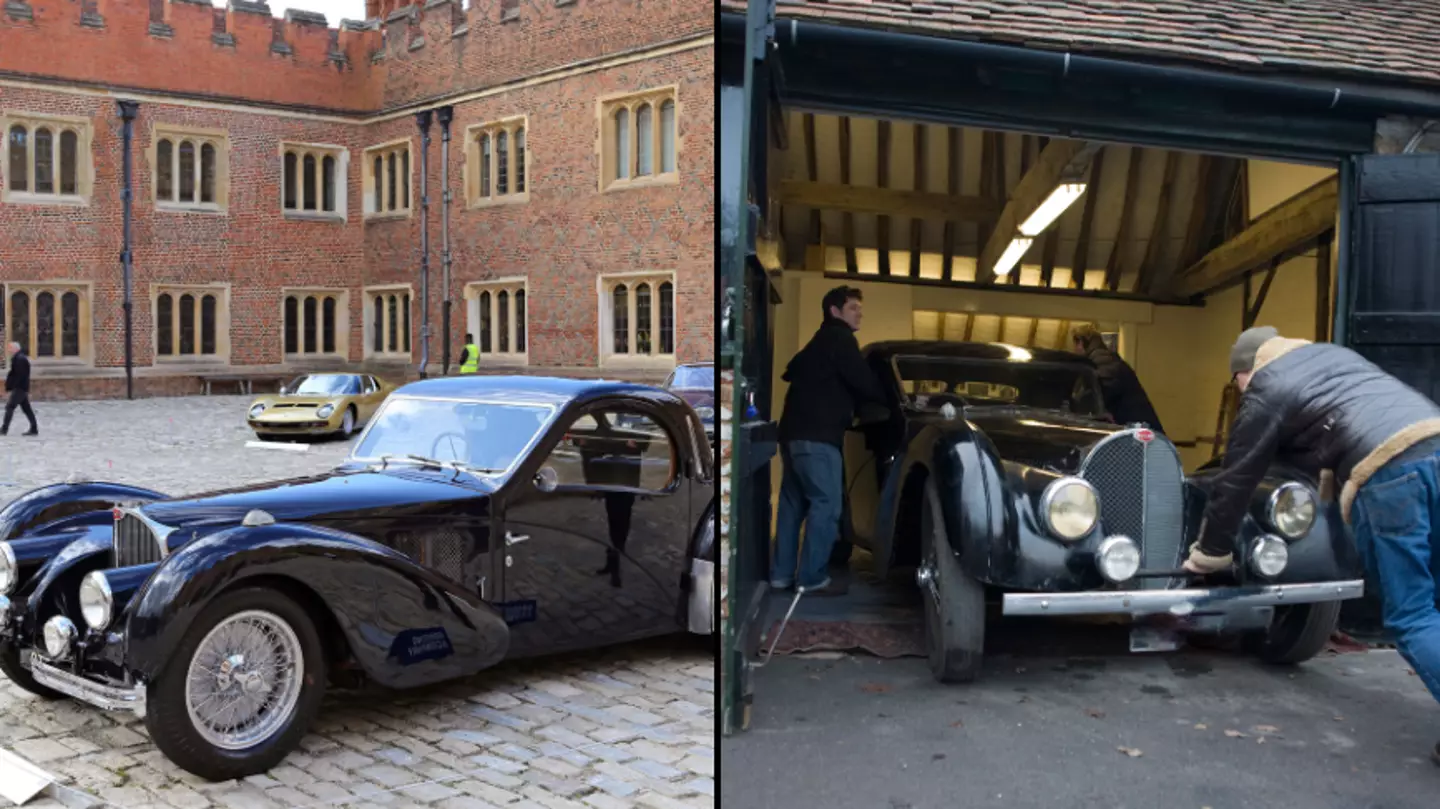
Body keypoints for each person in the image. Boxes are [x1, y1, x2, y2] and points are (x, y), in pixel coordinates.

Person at [1181, 326, 1440, 765]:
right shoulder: (1334, 359)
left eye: (1237, 383)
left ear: (1245, 372)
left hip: (1392, 470)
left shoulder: (1266, 389)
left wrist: (1210, 554)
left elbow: (1236, 481)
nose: (1241, 392)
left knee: (1412, 613)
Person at [771, 286, 888, 596]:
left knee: (791, 505)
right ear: (834, 312)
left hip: (792, 436)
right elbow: (864, 383)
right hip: (819, 439)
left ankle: (781, 575)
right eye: (852, 308)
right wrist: (888, 401)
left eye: (859, 308)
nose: (859, 313)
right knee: (827, 505)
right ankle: (811, 578)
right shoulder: (841, 339)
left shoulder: (816, 344)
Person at [1070, 322, 1165, 434]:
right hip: (1141, 430)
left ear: (1081, 343)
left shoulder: (1104, 362)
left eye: (1075, 345)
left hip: (1140, 434)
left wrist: (1077, 407)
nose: (1075, 350)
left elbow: (1101, 391)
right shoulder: (1106, 360)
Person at [2, 341, 37, 437]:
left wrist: (12, 386)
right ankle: (34, 428)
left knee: (10, 407)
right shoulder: (18, 358)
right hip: (21, 388)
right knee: (27, 409)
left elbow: (18, 375)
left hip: (20, 388)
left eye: (10, 348)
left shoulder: (20, 359)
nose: (9, 350)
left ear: (15, 349)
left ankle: (4, 429)